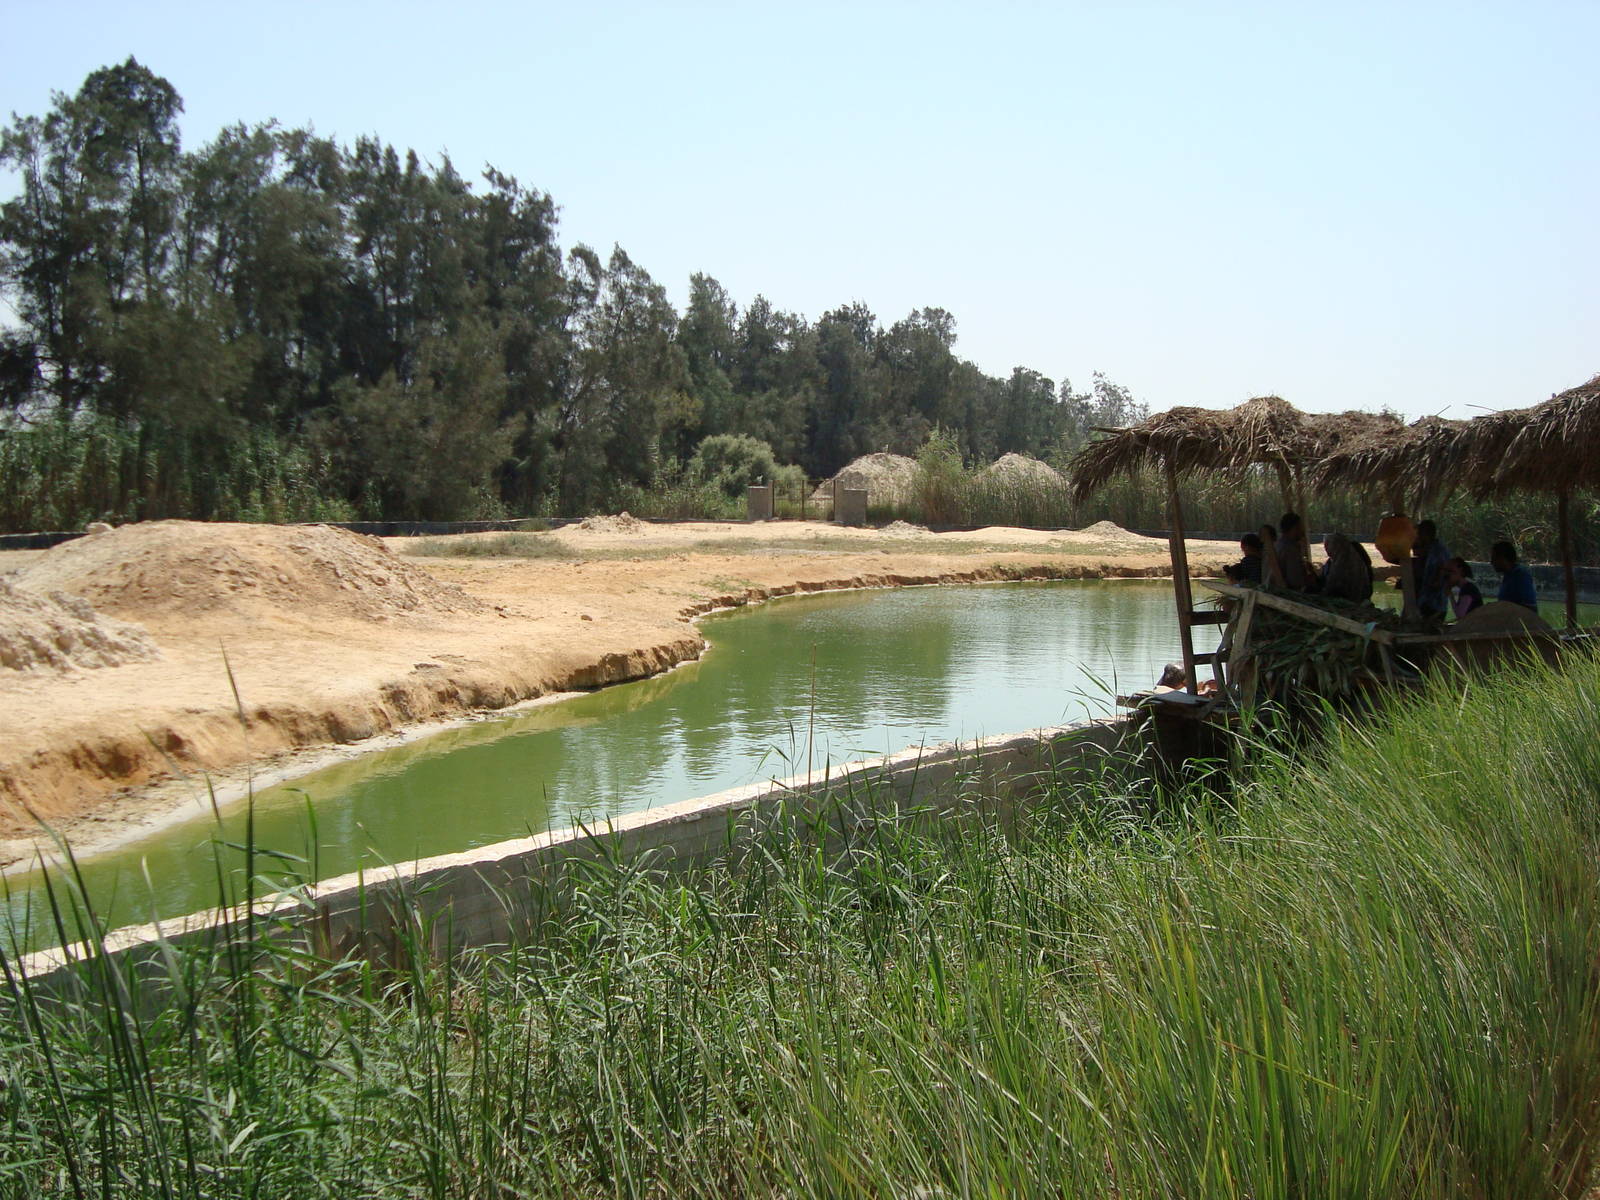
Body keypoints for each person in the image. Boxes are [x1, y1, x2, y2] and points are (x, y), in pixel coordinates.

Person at [1410, 519, 1451, 617]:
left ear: (1426, 533)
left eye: (1420, 533)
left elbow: (1443, 570)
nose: (1418, 536)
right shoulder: (1428, 549)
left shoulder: (1439, 551)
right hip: (1425, 601)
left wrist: (1436, 581)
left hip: (1435, 603)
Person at [1320, 532, 1373, 603]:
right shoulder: (1330, 562)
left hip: (1350, 603)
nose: (1326, 548)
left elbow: (1336, 588)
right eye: (1325, 545)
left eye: (1328, 545)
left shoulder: (1349, 563)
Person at [1490, 540, 1538, 611]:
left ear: (1503, 558)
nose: (1491, 562)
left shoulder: (1521, 576)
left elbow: (1529, 607)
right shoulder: (1508, 576)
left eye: (1494, 558)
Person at [1275, 512, 1310, 591]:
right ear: (1295, 528)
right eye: (1301, 527)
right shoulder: (1291, 549)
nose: (1303, 531)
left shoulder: (1278, 544)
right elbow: (1295, 581)